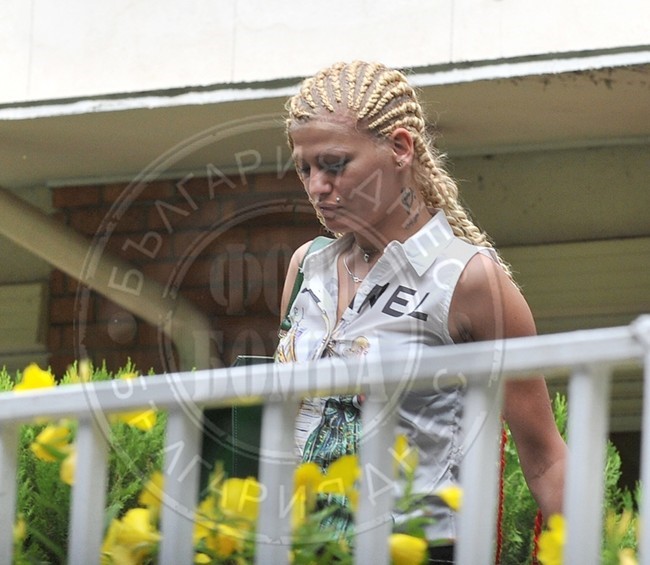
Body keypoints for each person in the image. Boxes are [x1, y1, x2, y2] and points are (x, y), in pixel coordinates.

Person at [274, 60, 567, 563]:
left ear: (401, 148)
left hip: (420, 548)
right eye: (305, 168)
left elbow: (544, 459)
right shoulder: (307, 267)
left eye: (334, 164)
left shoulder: (469, 279)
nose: (317, 186)